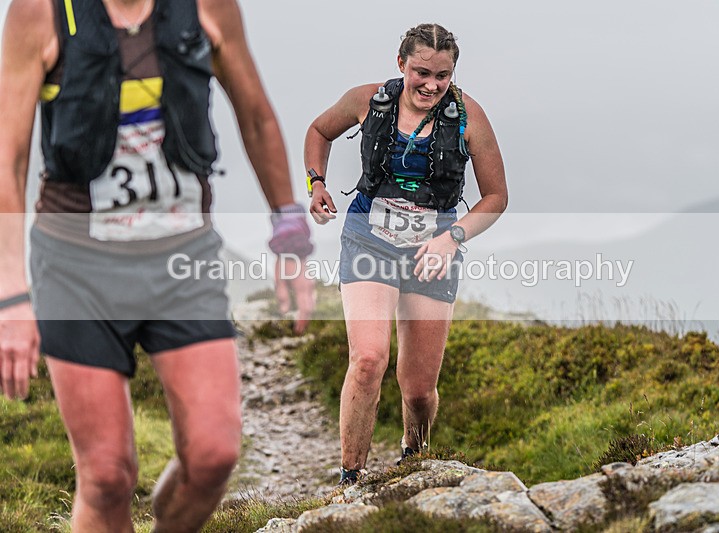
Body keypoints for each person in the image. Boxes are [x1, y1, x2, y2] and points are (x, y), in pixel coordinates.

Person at [0, 0, 314, 530]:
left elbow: (256, 116)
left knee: (213, 455)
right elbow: (8, 156)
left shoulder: (209, 7)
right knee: (107, 475)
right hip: (76, 268)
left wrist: (290, 234)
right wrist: (11, 290)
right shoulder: (40, 12)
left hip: (183, 260)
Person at [304, 23, 508, 484]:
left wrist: (452, 237)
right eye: (421, 73)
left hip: (432, 251)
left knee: (418, 390)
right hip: (368, 239)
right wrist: (316, 182)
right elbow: (319, 130)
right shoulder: (367, 100)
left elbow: (495, 198)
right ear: (401, 65)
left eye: (442, 75)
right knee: (369, 359)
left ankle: (413, 462)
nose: (431, 85)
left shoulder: (468, 117)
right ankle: (350, 478)